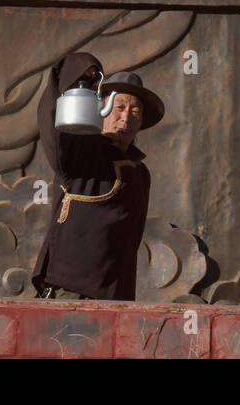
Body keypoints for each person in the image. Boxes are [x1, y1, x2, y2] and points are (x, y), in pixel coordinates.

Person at [32, 53, 165, 300]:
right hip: (71, 294)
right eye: (120, 107)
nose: (126, 117)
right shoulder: (81, 152)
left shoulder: (139, 173)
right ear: (102, 109)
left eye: (135, 109)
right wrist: (78, 72)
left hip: (116, 297)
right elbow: (54, 127)